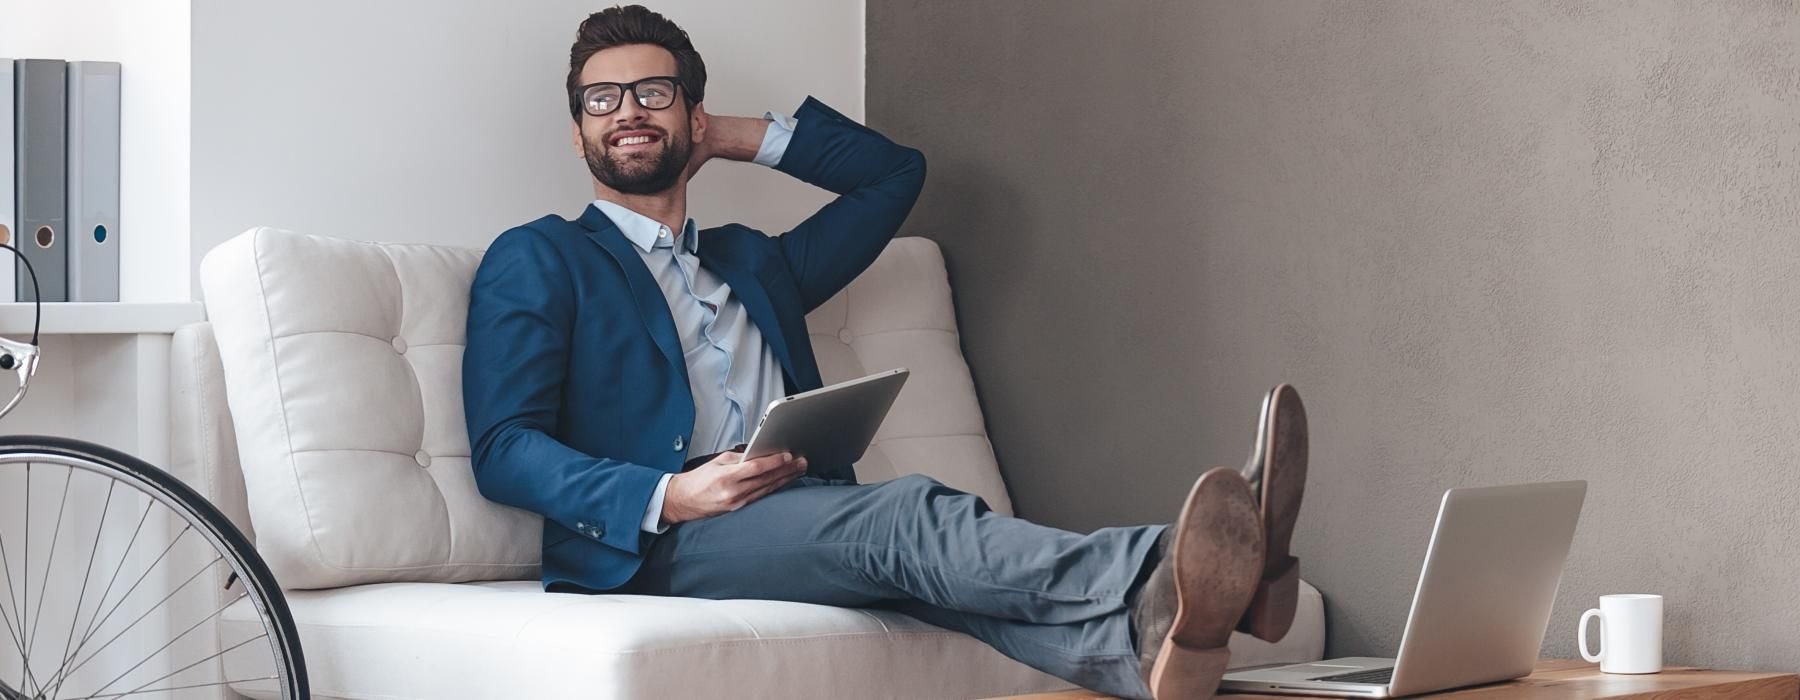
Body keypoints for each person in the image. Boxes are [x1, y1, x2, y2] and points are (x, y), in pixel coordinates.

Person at [462, 6, 1310, 698]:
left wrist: (730, 134)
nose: (627, 113)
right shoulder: (539, 256)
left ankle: (1147, 652)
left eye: (652, 92)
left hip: (799, 506)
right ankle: (1181, 563)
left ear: (692, 112)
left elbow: (892, 175)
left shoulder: (754, 261)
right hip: (663, 538)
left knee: (938, 582)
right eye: (600, 100)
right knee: (907, 515)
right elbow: (505, 448)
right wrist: (674, 494)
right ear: (577, 134)